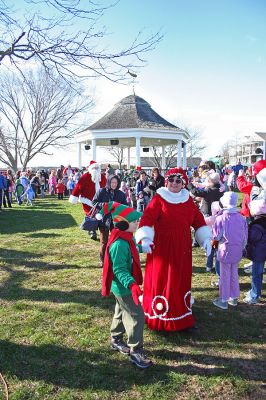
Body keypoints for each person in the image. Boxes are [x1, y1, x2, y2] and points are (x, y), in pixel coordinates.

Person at [135, 168, 212, 332]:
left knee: (179, 279)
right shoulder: (159, 198)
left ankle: (181, 316)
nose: (174, 184)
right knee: (162, 278)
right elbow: (147, 219)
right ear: (166, 181)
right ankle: (159, 316)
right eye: (171, 180)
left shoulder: (188, 200)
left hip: (182, 248)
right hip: (162, 248)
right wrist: (146, 238)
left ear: (183, 183)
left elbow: (198, 221)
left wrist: (205, 239)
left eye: (178, 181)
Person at [101, 201, 153, 369]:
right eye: (134, 221)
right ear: (123, 223)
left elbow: (130, 250)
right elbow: (119, 269)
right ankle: (136, 350)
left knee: (121, 310)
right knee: (136, 315)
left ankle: (116, 339)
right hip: (124, 287)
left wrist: (140, 247)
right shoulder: (119, 244)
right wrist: (131, 285)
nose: (138, 223)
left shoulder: (125, 238)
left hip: (121, 288)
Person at [212, 192, 248, 310]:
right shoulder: (241, 218)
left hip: (225, 249)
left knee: (224, 275)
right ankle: (234, 297)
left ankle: (223, 299)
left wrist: (213, 243)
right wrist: (242, 246)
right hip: (237, 249)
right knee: (234, 273)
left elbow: (216, 236)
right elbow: (245, 236)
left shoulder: (221, 218)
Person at [92, 175, 127, 266]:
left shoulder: (121, 194)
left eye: (116, 183)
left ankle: (115, 259)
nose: (114, 184)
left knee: (116, 241)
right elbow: (94, 202)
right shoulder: (101, 191)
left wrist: (119, 207)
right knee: (104, 241)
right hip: (104, 220)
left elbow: (126, 206)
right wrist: (105, 205)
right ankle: (103, 260)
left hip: (116, 221)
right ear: (108, 182)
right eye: (112, 182)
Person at [69, 160, 106, 240]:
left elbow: (106, 186)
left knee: (99, 215)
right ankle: (92, 231)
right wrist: (74, 196)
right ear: (90, 168)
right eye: (94, 168)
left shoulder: (102, 177)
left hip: (99, 200)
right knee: (90, 214)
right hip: (87, 200)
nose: (96, 169)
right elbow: (78, 186)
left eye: (97, 167)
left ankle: (97, 229)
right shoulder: (85, 176)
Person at [243, 198, 266, 304]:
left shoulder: (257, 224)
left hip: (259, 254)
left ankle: (254, 295)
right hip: (262, 251)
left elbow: (252, 238)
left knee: (257, 274)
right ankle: (255, 292)